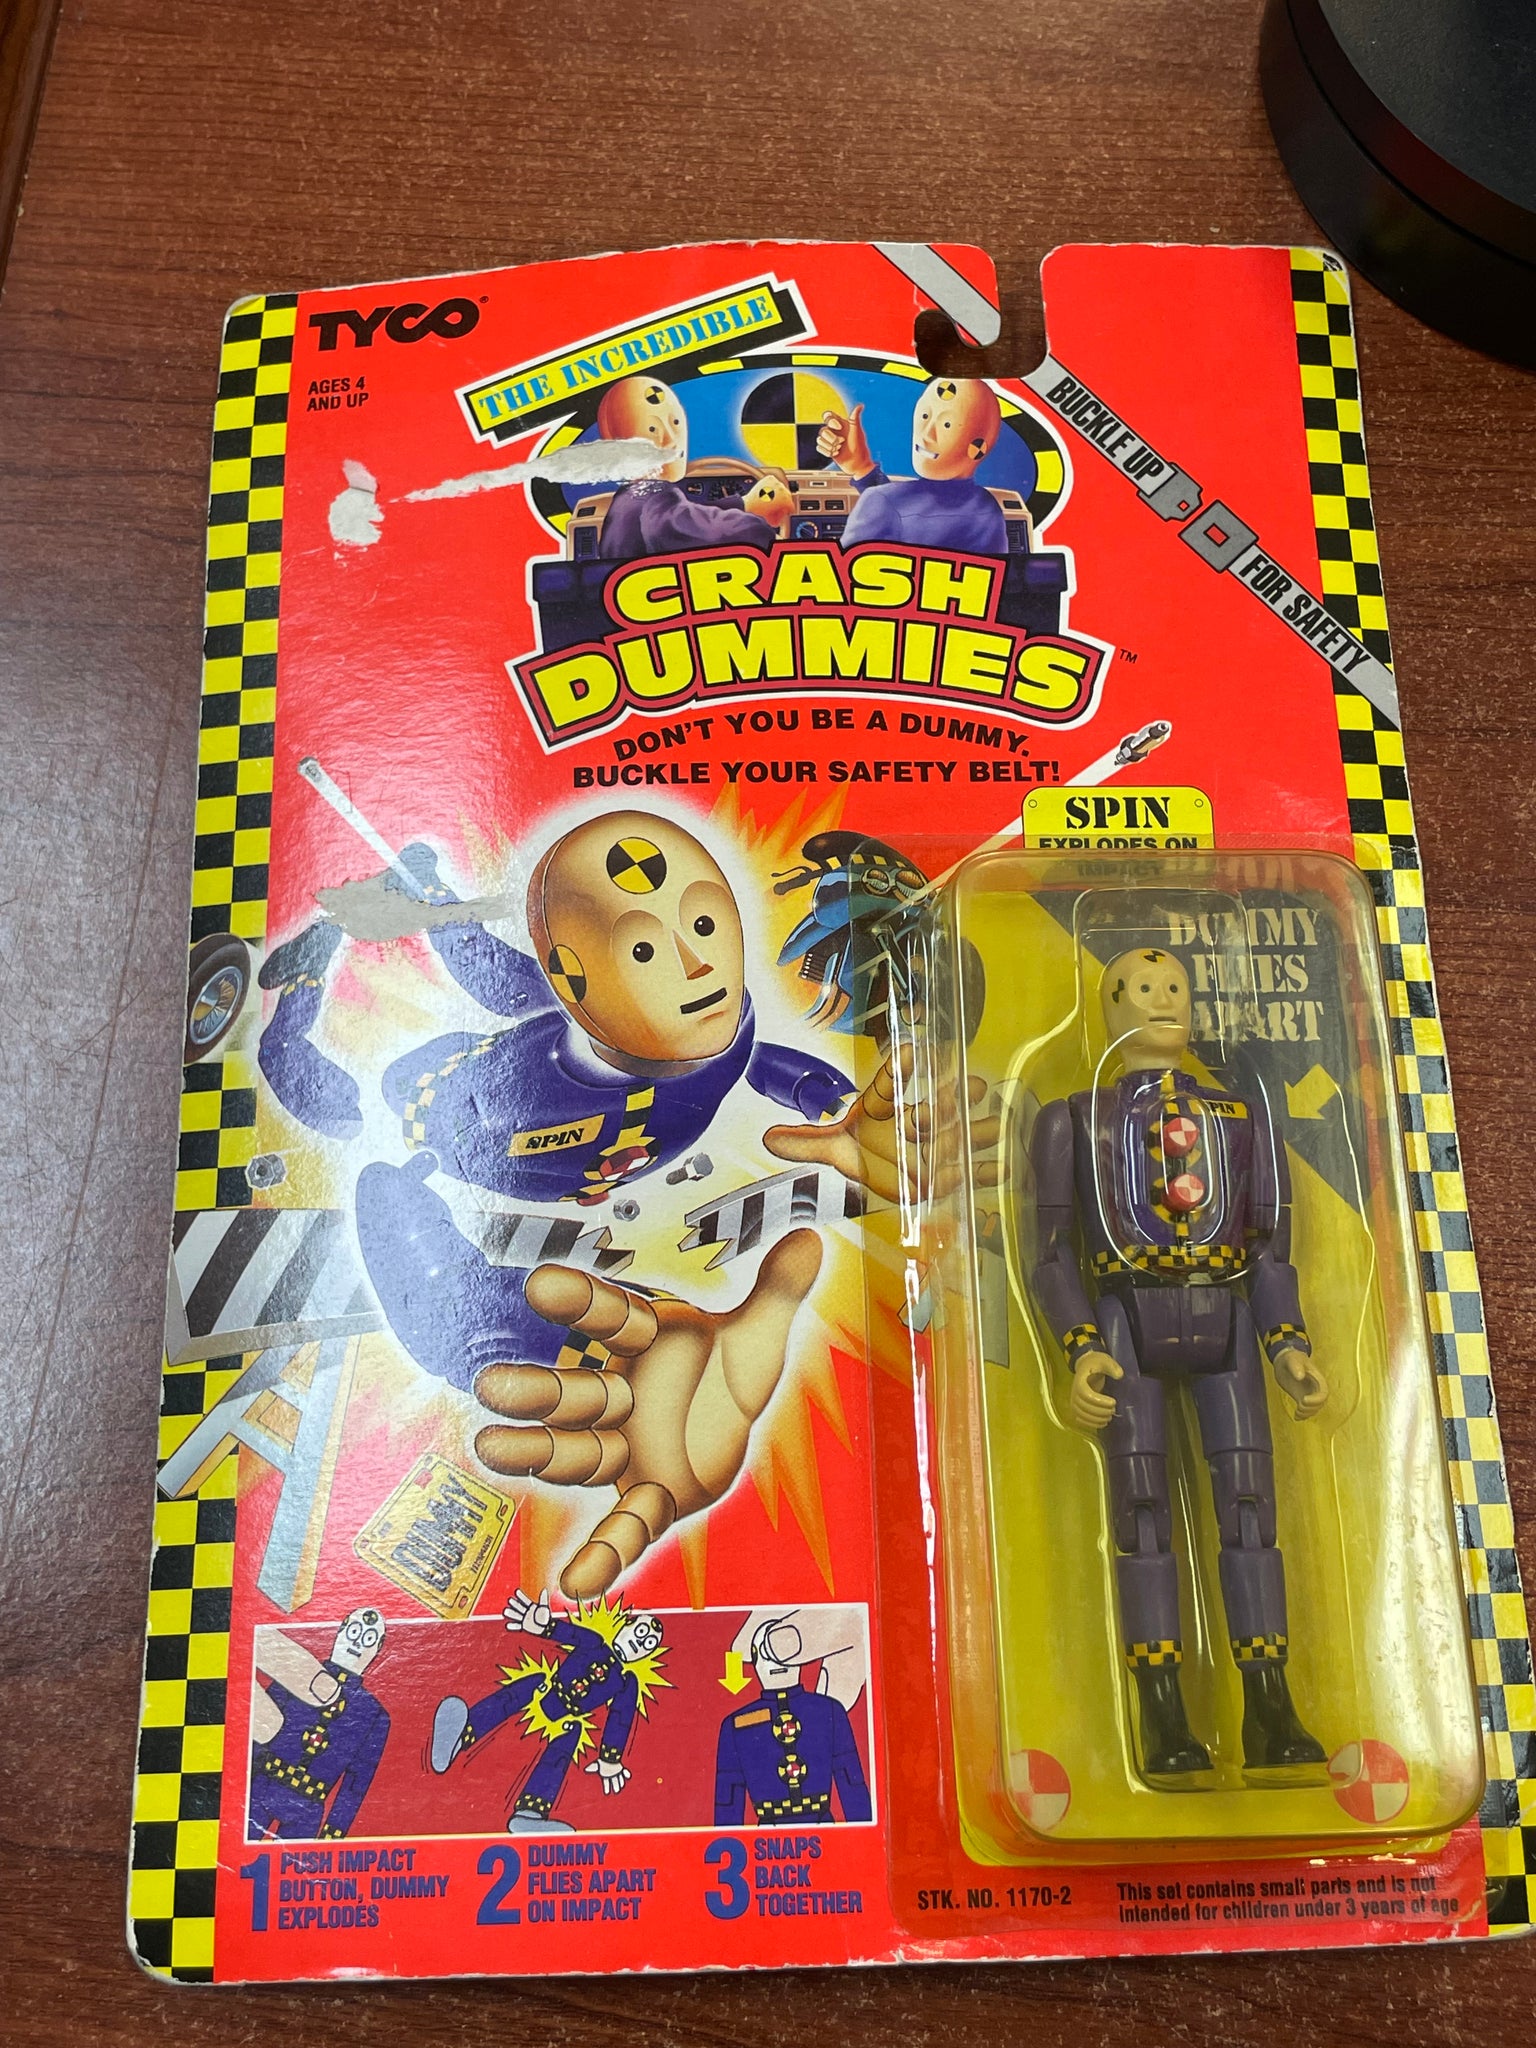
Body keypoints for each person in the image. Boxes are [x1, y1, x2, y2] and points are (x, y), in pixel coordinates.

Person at [1029, 948, 1328, 1778]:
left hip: (1227, 1317)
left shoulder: (1241, 1118)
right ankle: (1162, 1711)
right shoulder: (1073, 1119)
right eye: (1141, 989)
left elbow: (1268, 1246)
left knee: (1250, 1509)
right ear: (1109, 1007)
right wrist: (1081, 1348)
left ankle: (1269, 1702)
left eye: (1174, 989)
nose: (1161, 1001)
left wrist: (1288, 1344)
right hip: (1128, 1317)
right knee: (1141, 1513)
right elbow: (1049, 1254)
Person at [429, 1588, 663, 1833]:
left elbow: (620, 1718)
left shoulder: (626, 1682)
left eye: (648, 1644)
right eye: (640, 1632)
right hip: (545, 1691)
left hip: (567, 1719)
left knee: (562, 1753)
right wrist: (544, 1626)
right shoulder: (594, 1642)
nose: (640, 1642)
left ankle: (530, 1815)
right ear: (626, 1626)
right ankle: (455, 1738)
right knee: (519, 1690)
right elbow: (570, 1633)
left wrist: (610, 1758)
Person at [593, 375, 793, 557]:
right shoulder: (653, 497)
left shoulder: (630, 497)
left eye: (676, 422)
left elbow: (690, 515)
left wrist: (743, 504)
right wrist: (763, 533)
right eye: (652, 430)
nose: (672, 440)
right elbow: (695, 528)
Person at [816, 378, 1008, 553]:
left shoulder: (881, 501)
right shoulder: (989, 507)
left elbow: (838, 573)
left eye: (946, 425)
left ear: (977, 448)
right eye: (925, 415)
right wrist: (862, 468)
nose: (927, 434)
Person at [713, 1614, 871, 1825]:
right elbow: (729, 1794)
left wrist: (863, 1832)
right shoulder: (735, 1724)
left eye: (780, 1647)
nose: (773, 1659)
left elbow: (851, 1779)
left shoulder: (830, 1710)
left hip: (823, 1825)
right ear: (755, 1661)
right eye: (764, 1652)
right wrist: (728, 1838)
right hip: (768, 1833)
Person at [247, 1610, 389, 1840]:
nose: (357, 1644)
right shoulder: (299, 1672)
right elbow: (258, 1727)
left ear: (377, 1648)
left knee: (292, 1863)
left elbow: (355, 1785)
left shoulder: (374, 1715)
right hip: (262, 1785)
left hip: (308, 1808)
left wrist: (332, 1834)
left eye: (369, 1639)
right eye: (354, 1632)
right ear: (340, 1632)